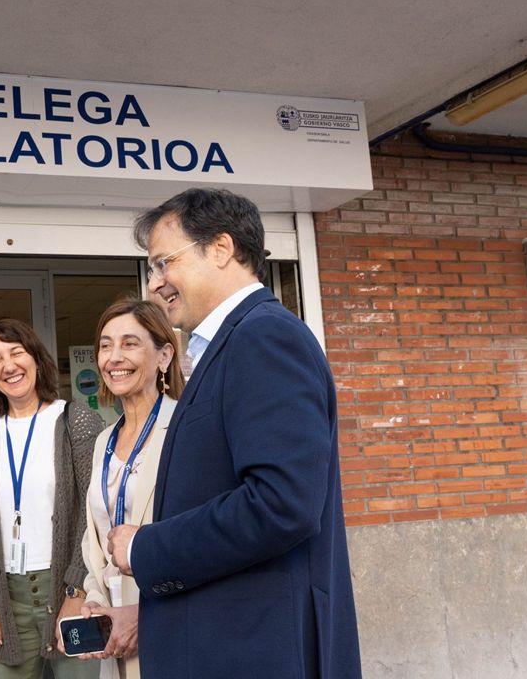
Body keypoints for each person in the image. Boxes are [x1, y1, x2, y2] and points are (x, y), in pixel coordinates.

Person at [106, 188, 361, 678]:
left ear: (221, 248)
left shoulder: (264, 337)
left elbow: (281, 503)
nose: (155, 283)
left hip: (255, 652)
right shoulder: (232, 342)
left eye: (163, 263)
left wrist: (146, 547)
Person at [0, 318, 103, 679]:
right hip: (8, 600)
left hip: (73, 592)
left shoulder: (77, 420)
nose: (8, 366)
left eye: (16, 352)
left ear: (36, 359)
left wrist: (77, 587)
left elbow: (94, 512)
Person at [68, 299, 183, 679]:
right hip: (114, 634)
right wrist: (95, 603)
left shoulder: (184, 431)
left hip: (168, 628)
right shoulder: (103, 441)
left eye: (130, 343)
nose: (114, 357)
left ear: (164, 355)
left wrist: (146, 613)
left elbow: (197, 542)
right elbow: (96, 542)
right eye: (105, 345)